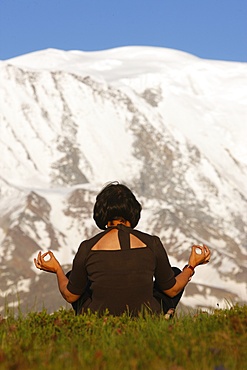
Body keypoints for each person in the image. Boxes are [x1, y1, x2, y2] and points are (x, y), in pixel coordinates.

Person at [34, 182, 211, 317]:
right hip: (147, 316)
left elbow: (71, 296)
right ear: (133, 212)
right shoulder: (152, 243)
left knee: (74, 276)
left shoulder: (88, 247)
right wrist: (191, 266)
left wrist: (57, 270)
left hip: (97, 318)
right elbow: (172, 290)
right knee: (174, 273)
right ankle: (162, 316)